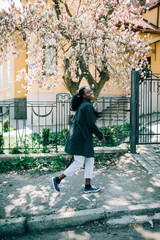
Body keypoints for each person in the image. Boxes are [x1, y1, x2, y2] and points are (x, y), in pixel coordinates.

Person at [52, 86, 105, 193]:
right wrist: (100, 136)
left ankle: (88, 186)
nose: (91, 92)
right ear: (83, 96)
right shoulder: (86, 106)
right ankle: (57, 179)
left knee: (89, 160)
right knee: (79, 162)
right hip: (82, 138)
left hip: (80, 136)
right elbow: (91, 124)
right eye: (88, 92)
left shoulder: (84, 105)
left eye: (90, 91)